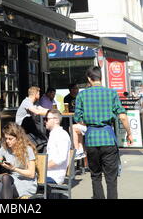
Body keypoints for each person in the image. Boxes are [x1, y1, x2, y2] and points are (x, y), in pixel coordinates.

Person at [74, 66, 133, 199]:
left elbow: (78, 118)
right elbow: (122, 116)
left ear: (89, 79)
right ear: (100, 77)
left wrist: (90, 120)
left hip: (91, 140)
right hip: (108, 139)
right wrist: (129, 132)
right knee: (111, 178)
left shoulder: (82, 95)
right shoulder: (111, 93)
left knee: (95, 176)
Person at [45, 109, 71, 197]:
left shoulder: (61, 135)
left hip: (54, 176)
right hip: (49, 174)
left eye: (47, 119)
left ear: (56, 120)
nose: (45, 121)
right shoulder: (54, 134)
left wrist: (43, 166)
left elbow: (61, 158)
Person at [64, 84, 87, 160]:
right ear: (70, 90)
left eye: (77, 88)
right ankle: (80, 150)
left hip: (81, 122)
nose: (76, 90)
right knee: (71, 128)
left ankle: (78, 151)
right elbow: (67, 109)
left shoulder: (80, 97)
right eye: (74, 88)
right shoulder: (67, 98)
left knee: (74, 129)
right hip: (73, 120)